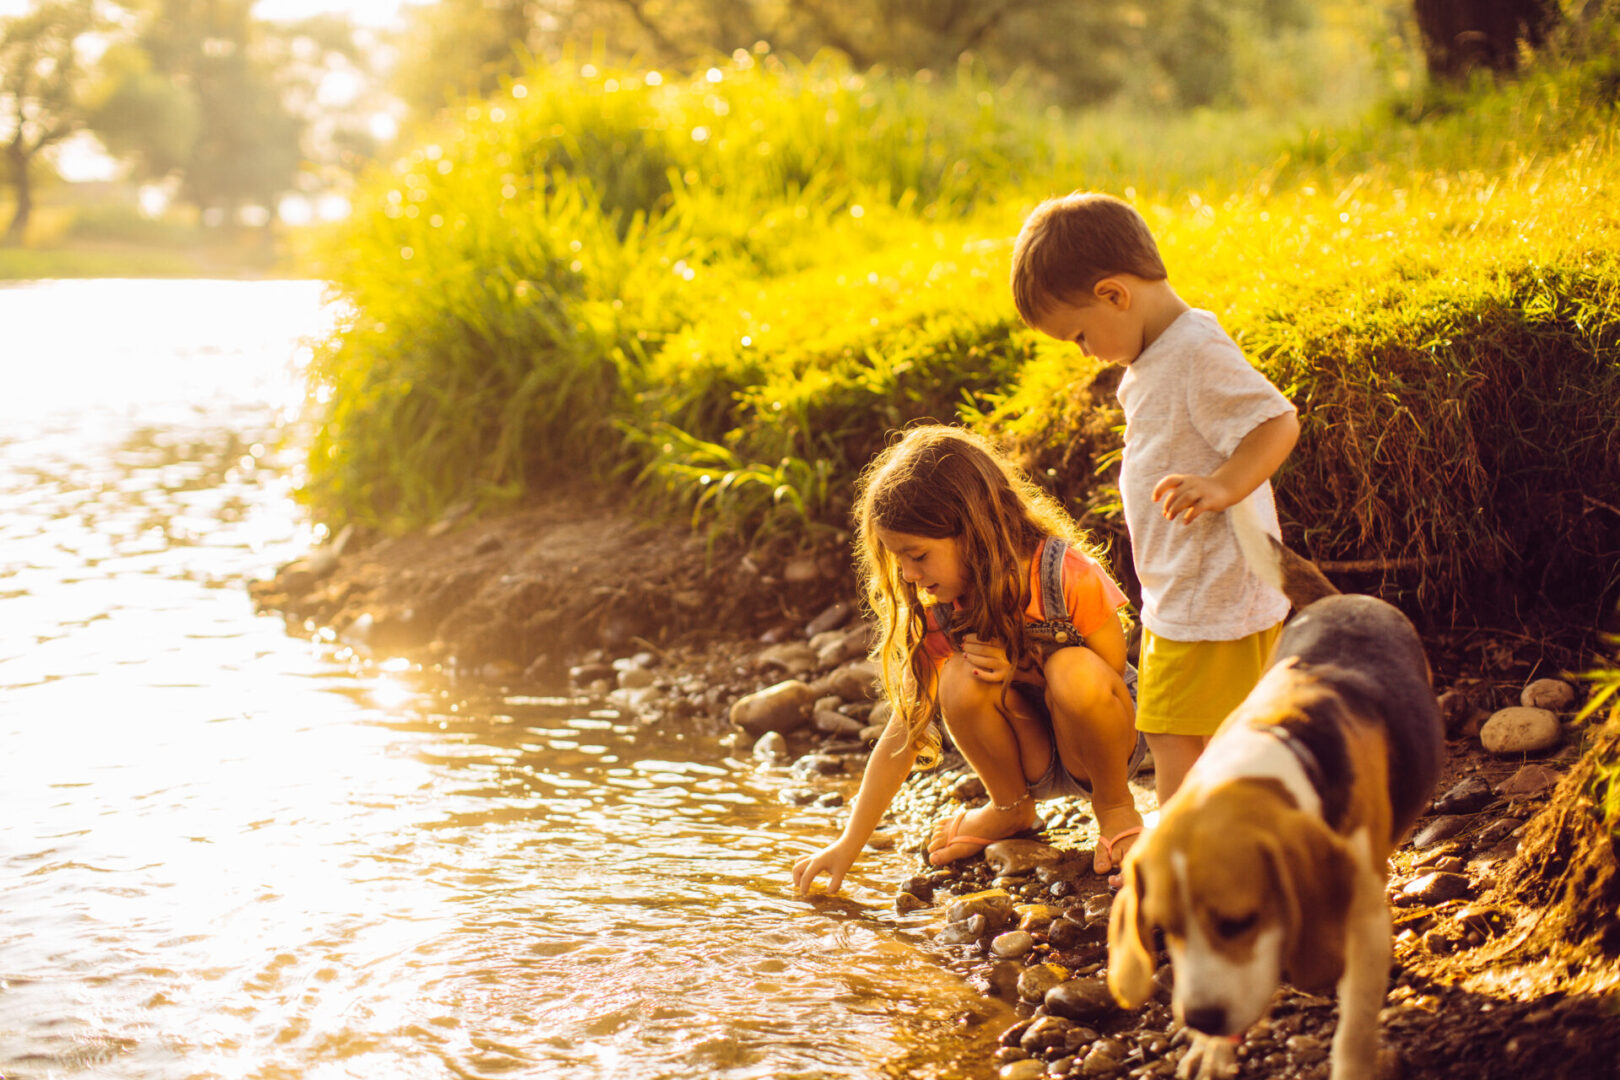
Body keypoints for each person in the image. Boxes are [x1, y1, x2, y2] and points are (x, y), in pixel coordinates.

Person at [1009, 191, 1300, 807]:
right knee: (1184, 734)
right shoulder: (1157, 358)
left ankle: (1192, 858)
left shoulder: (1195, 350)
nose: (1085, 352)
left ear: (1115, 294)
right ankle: (1214, 845)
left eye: (1081, 335)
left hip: (1218, 595)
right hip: (1183, 594)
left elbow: (1276, 423)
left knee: (1184, 734)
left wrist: (1223, 486)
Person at [791, 424, 1145, 896]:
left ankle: (1116, 807)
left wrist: (1022, 662)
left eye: (918, 555)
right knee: (959, 676)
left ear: (975, 531)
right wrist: (848, 843)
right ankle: (1011, 807)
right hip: (1032, 753)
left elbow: (1109, 680)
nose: (910, 576)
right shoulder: (942, 610)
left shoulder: (1066, 575)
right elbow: (906, 730)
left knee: (1070, 668)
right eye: (900, 561)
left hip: (1101, 748)